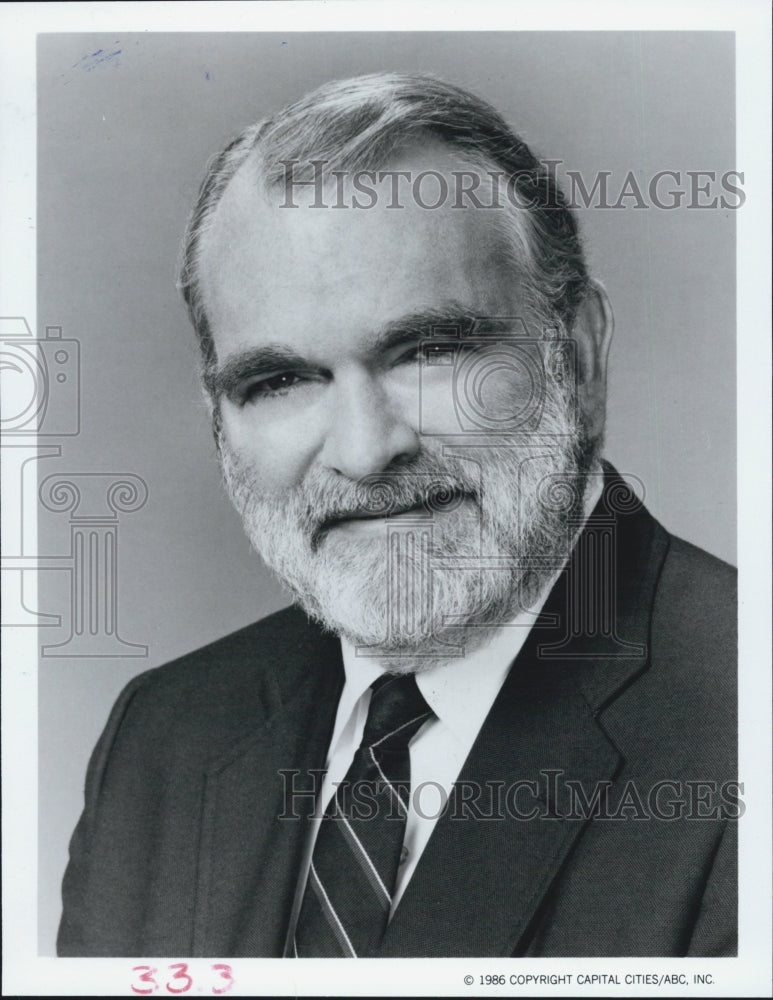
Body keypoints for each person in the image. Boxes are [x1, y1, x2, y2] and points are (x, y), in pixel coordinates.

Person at [57, 73, 737, 958]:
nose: (365, 451)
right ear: (219, 416)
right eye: (280, 380)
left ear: (575, 353)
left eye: (428, 350)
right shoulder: (166, 734)